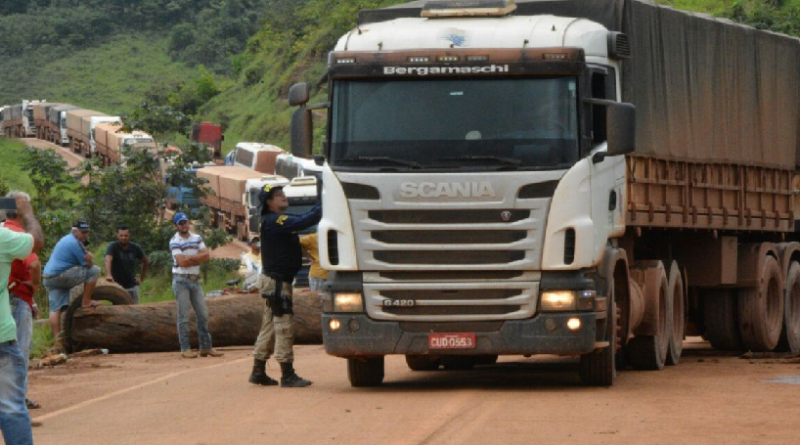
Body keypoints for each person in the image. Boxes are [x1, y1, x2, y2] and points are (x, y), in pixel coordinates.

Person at [249, 184, 321, 387]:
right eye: (278, 194)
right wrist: (326, 203)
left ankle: (258, 371)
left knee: (270, 326)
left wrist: (320, 204)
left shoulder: (276, 220)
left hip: (274, 281)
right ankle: (287, 374)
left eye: (282, 193)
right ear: (269, 202)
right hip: (277, 283)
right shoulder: (275, 221)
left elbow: (304, 217)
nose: (283, 196)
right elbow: (305, 220)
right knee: (284, 325)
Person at [0, 192, 44, 445]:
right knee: (11, 405)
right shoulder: (7, 235)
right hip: (8, 320)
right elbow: (35, 255)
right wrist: (27, 211)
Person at [169, 212, 223, 359]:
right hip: (181, 280)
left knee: (203, 314)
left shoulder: (197, 238)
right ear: (176, 226)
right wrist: (197, 258)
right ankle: (185, 348)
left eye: (185, 222)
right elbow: (182, 262)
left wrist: (190, 258)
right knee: (184, 316)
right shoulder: (174, 241)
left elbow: (207, 256)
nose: (184, 225)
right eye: (181, 223)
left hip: (195, 279)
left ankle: (206, 347)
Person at [42, 220, 101, 346]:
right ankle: (86, 302)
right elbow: (88, 265)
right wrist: (90, 257)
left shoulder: (66, 239)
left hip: (48, 278)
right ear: (74, 231)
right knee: (95, 271)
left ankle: (58, 342)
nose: (85, 235)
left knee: (55, 309)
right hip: (59, 276)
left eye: (87, 232)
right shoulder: (74, 243)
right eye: (83, 232)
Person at [104, 226, 150, 304]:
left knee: (135, 308)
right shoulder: (112, 246)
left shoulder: (135, 247)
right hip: (117, 286)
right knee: (118, 308)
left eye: (126, 235)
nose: (123, 238)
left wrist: (141, 278)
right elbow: (108, 259)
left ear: (129, 236)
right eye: (121, 235)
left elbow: (146, 261)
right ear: (117, 235)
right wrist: (109, 275)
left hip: (132, 285)